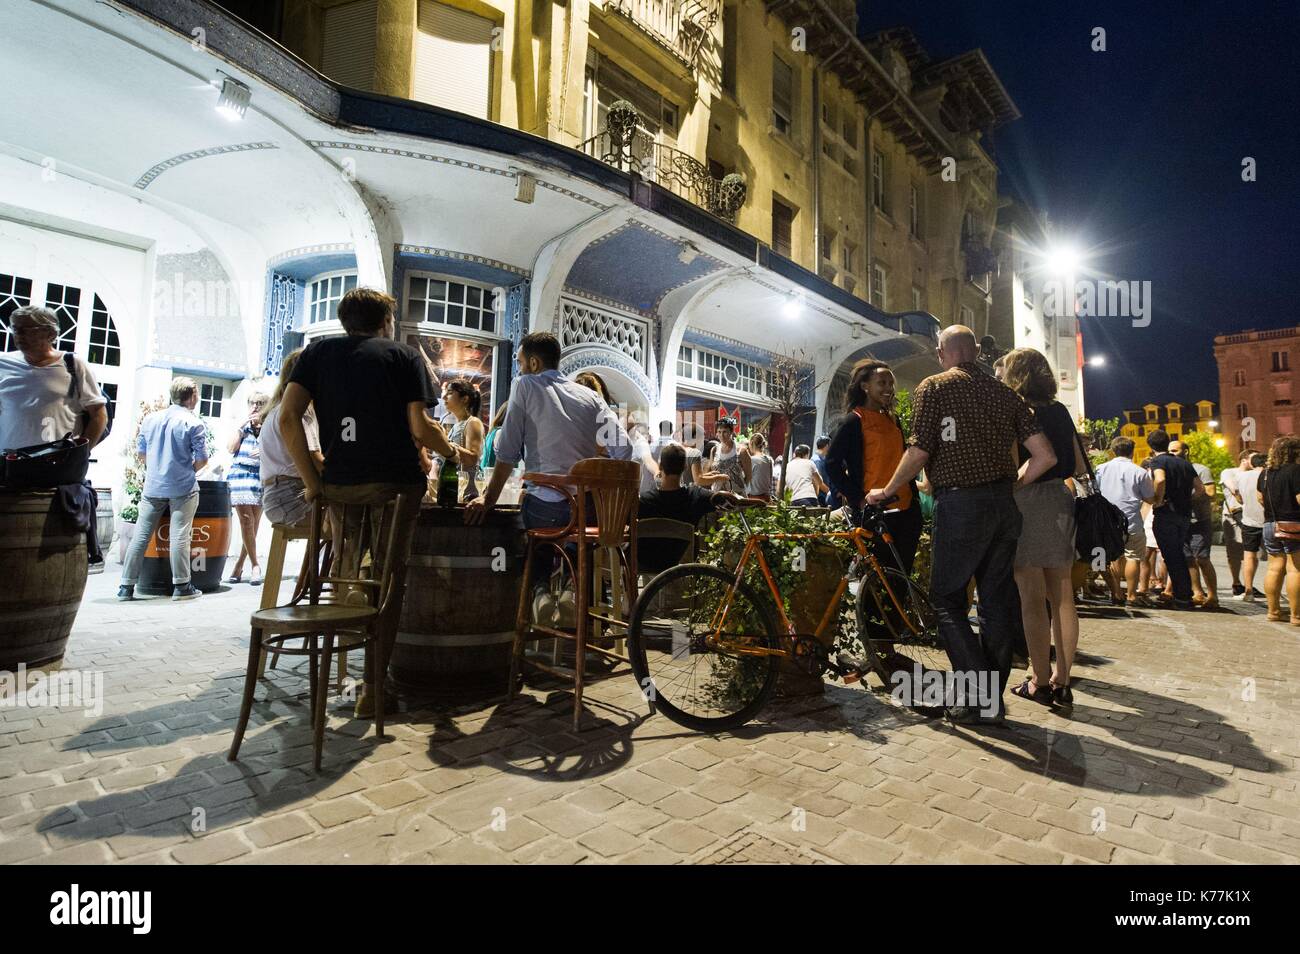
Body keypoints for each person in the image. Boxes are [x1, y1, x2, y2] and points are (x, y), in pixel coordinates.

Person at [280, 287, 456, 718]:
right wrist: (451, 452)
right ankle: (374, 690)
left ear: (345, 320)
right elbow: (419, 424)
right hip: (396, 485)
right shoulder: (403, 356)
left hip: (340, 485)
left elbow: (287, 418)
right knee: (391, 581)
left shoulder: (316, 354)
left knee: (343, 570)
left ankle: (352, 584)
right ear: (386, 321)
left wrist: (312, 480)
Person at [867, 325, 1057, 724]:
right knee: (995, 604)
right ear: (974, 352)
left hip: (961, 505)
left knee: (946, 600)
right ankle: (986, 699)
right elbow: (1046, 456)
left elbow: (919, 450)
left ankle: (980, 693)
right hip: (1004, 507)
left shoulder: (933, 388)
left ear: (942, 353)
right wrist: (1010, 484)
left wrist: (887, 489)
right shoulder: (1006, 393)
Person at [466, 332, 634, 534]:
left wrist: (488, 498)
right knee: (577, 556)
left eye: (520, 363)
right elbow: (624, 449)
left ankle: (539, 563)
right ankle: (574, 564)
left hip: (546, 509)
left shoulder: (525, 385)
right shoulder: (591, 397)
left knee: (517, 535)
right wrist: (604, 495)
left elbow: (508, 451)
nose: (520, 370)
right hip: (590, 511)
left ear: (534, 363)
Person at [998, 349, 1087, 706]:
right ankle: (1063, 680)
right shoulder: (1060, 411)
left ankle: (1039, 680)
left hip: (1027, 503)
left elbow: (1012, 464)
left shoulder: (1017, 412)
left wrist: (1015, 485)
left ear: (1016, 375)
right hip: (1060, 499)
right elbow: (1079, 465)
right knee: (1063, 595)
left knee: (1031, 598)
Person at [824, 358, 922, 575]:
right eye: (882, 383)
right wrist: (857, 498)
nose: (888, 388)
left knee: (901, 576)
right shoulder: (853, 421)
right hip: (875, 513)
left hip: (906, 510)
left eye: (890, 383)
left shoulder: (893, 421)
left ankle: (897, 611)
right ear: (865, 386)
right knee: (876, 577)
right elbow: (831, 464)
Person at [118, 377, 209, 601]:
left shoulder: (151, 419)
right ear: (193, 395)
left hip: (152, 486)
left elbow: (140, 453)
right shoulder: (193, 423)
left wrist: (157, 469)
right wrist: (187, 470)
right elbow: (203, 459)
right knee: (179, 536)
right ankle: (182, 586)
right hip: (182, 487)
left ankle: (125, 587)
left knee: (140, 536)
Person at [0, 305, 107, 451]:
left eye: (28, 330)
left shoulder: (74, 364)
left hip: (56, 465)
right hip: (8, 462)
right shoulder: (3, 363)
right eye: (16, 329)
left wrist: (79, 455)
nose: (19, 335)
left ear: (50, 334)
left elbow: (99, 416)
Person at [259, 350, 324, 528]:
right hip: (290, 497)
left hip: (275, 498)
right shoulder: (299, 411)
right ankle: (342, 557)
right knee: (353, 516)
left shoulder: (276, 409)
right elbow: (314, 456)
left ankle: (321, 557)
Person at [1096, 437, 1155, 608]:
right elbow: (1150, 498)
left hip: (1107, 521)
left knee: (1103, 557)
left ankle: (1115, 592)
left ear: (1113, 451)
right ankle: (1131, 595)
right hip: (1131, 520)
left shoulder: (1100, 469)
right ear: (1132, 451)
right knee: (1133, 557)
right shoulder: (1139, 472)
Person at [1147, 429, 1203, 609]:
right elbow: (1200, 489)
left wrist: (1157, 500)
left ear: (1151, 446)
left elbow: (1160, 480)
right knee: (1179, 554)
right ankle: (1184, 595)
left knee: (1171, 556)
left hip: (1167, 513)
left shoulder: (1157, 461)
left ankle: (1182, 597)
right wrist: (1187, 499)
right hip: (1184, 514)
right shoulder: (1184, 463)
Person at [226, 392, 269, 584]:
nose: (256, 407)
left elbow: (279, 450)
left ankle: (239, 566)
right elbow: (230, 448)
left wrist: (264, 449)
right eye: (253, 403)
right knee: (246, 521)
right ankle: (255, 565)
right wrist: (242, 424)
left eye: (260, 403)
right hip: (241, 475)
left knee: (254, 524)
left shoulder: (269, 427)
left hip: (260, 477)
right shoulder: (243, 426)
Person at [1258, 436, 1300, 624]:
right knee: (1295, 570)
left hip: (1269, 523)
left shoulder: (1266, 473)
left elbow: (1260, 498)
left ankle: (1273, 612)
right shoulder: (1296, 471)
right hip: (1293, 524)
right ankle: (1296, 615)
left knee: (1274, 568)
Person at [1171, 440, 1218, 608]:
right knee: (1188, 559)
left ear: (1186, 451)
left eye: (1175, 450)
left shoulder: (1201, 469)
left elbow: (1211, 492)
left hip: (1199, 520)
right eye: (1169, 450)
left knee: (1202, 558)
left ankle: (1213, 596)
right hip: (1181, 520)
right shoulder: (1171, 470)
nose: (1172, 453)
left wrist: (1187, 498)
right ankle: (1197, 592)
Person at [442, 378, 485, 500]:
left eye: (450, 393)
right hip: (454, 492)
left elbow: (472, 458)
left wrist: (444, 442)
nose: (444, 397)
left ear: (465, 399)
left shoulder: (473, 422)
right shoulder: (457, 425)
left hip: (467, 495)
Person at [1233, 452, 1267, 601]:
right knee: (1276, 558)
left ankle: (1248, 592)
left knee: (1249, 556)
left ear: (1252, 463)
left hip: (1249, 520)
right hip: (1269, 520)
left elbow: (1237, 495)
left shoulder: (1241, 476)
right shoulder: (1268, 474)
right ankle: (1275, 591)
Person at [1219, 450, 1252, 596]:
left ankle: (1248, 584)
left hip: (1251, 516)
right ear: (1244, 459)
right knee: (1234, 552)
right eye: (1253, 458)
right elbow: (1233, 488)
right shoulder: (1229, 472)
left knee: (1251, 552)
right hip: (1233, 515)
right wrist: (1241, 499)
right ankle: (1237, 583)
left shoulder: (1255, 474)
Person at [698, 418, 751, 493]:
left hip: (737, 496)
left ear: (731, 432)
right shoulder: (714, 450)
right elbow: (709, 471)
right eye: (719, 432)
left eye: (725, 432)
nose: (721, 435)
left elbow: (749, 476)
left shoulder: (741, 451)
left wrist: (739, 488)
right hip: (717, 495)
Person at [745, 431, 774, 500]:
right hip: (766, 497)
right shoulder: (769, 460)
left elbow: (745, 479)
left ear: (751, 444)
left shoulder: (752, 460)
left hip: (753, 499)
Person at [813, 435, 832, 504]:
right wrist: (829, 492)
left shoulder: (821, 459)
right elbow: (818, 482)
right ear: (827, 446)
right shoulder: (817, 460)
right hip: (821, 497)